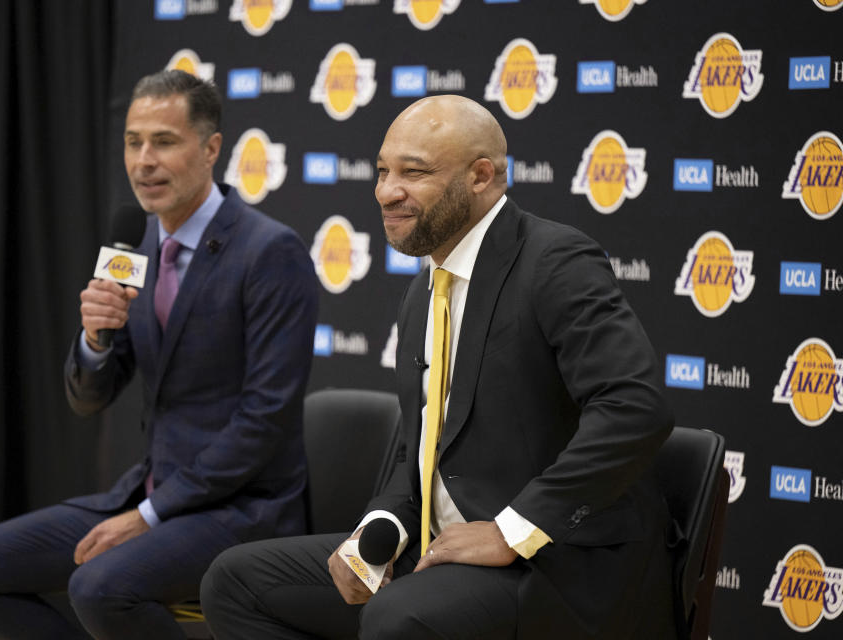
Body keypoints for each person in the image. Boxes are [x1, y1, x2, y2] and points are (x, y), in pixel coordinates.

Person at [200, 95, 676, 639]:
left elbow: (635, 408)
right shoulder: (427, 285)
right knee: (234, 582)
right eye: (382, 171)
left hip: (550, 563)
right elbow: (421, 443)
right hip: (434, 552)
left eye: (413, 172)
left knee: (396, 619)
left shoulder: (555, 261)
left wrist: (511, 530)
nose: (385, 191)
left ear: (480, 176)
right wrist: (378, 528)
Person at [0, 70, 318, 639]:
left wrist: (148, 518)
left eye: (163, 141)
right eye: (133, 142)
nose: (143, 161)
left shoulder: (269, 252)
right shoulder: (139, 249)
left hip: (244, 509)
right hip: (149, 492)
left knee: (100, 585)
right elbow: (91, 399)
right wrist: (93, 339)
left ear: (211, 148)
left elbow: (264, 422)